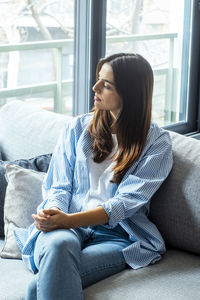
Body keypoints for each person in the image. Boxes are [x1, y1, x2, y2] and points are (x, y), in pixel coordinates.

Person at [14, 53, 173, 300]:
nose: (95, 87)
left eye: (106, 84)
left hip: (116, 237)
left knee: (37, 290)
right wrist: (55, 214)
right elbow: (59, 186)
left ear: (129, 94)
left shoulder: (157, 143)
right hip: (65, 229)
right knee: (57, 244)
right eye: (99, 79)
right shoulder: (77, 128)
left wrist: (68, 220)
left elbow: (124, 204)